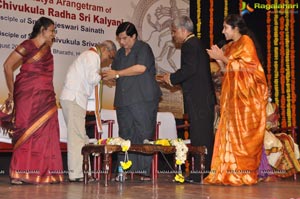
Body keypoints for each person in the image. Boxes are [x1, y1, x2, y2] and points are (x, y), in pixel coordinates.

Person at [203, 14, 268, 186]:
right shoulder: (230, 46)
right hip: (231, 99)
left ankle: (242, 174)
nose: (223, 31)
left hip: (245, 100)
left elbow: (247, 68)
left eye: (225, 27)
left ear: (235, 28)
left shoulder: (246, 41)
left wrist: (223, 58)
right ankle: (226, 173)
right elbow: (227, 71)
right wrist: (218, 59)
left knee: (243, 138)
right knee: (228, 135)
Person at [1, 17, 64, 184]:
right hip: (26, 96)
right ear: (42, 30)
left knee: (46, 135)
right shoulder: (27, 45)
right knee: (25, 132)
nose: (54, 34)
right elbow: (7, 66)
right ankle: (19, 174)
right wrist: (12, 92)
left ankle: (44, 173)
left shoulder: (48, 52)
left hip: (45, 98)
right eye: (52, 30)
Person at [102, 22, 162, 181]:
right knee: (125, 135)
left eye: (125, 38)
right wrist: (108, 78)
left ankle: (145, 171)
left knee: (144, 134)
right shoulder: (120, 54)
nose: (122, 42)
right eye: (119, 39)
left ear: (134, 36)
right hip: (123, 100)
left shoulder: (143, 48)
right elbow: (117, 74)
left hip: (143, 99)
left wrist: (117, 74)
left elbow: (140, 68)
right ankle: (124, 170)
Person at [161, 15, 216, 182]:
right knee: (204, 136)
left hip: (199, 100)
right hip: (203, 99)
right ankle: (204, 172)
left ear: (184, 30)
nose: (173, 35)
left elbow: (189, 70)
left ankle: (199, 174)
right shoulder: (196, 43)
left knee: (200, 137)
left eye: (174, 31)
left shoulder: (189, 45)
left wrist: (171, 78)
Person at [60, 40, 117, 182]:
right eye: (110, 57)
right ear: (104, 49)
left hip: (74, 99)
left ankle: (84, 172)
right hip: (74, 99)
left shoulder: (89, 55)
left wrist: (102, 78)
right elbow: (92, 78)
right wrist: (104, 77)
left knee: (81, 137)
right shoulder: (93, 56)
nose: (108, 61)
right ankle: (77, 174)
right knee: (77, 138)